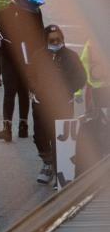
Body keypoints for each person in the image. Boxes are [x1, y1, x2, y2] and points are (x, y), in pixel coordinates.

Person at [30, 24, 87, 186]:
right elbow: (30, 75)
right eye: (52, 40)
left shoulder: (72, 56)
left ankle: (59, 172)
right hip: (41, 104)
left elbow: (81, 77)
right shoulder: (38, 55)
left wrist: (68, 92)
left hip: (63, 104)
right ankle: (47, 163)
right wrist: (35, 90)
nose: (55, 42)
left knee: (59, 139)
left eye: (58, 39)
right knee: (40, 137)